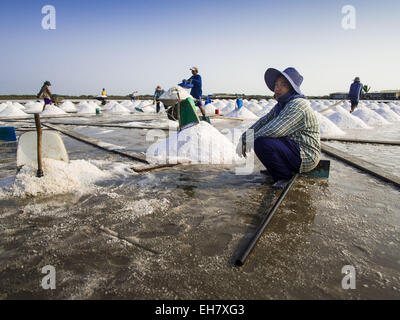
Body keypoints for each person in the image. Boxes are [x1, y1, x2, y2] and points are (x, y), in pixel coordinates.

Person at [239, 67, 321, 189]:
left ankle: (283, 177)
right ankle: (277, 168)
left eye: (282, 85)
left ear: (292, 88)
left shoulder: (297, 104)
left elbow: (275, 129)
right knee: (262, 140)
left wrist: (250, 139)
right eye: (276, 84)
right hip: (292, 147)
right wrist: (245, 137)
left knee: (262, 143)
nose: (276, 88)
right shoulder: (282, 105)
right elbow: (264, 121)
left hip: (306, 155)